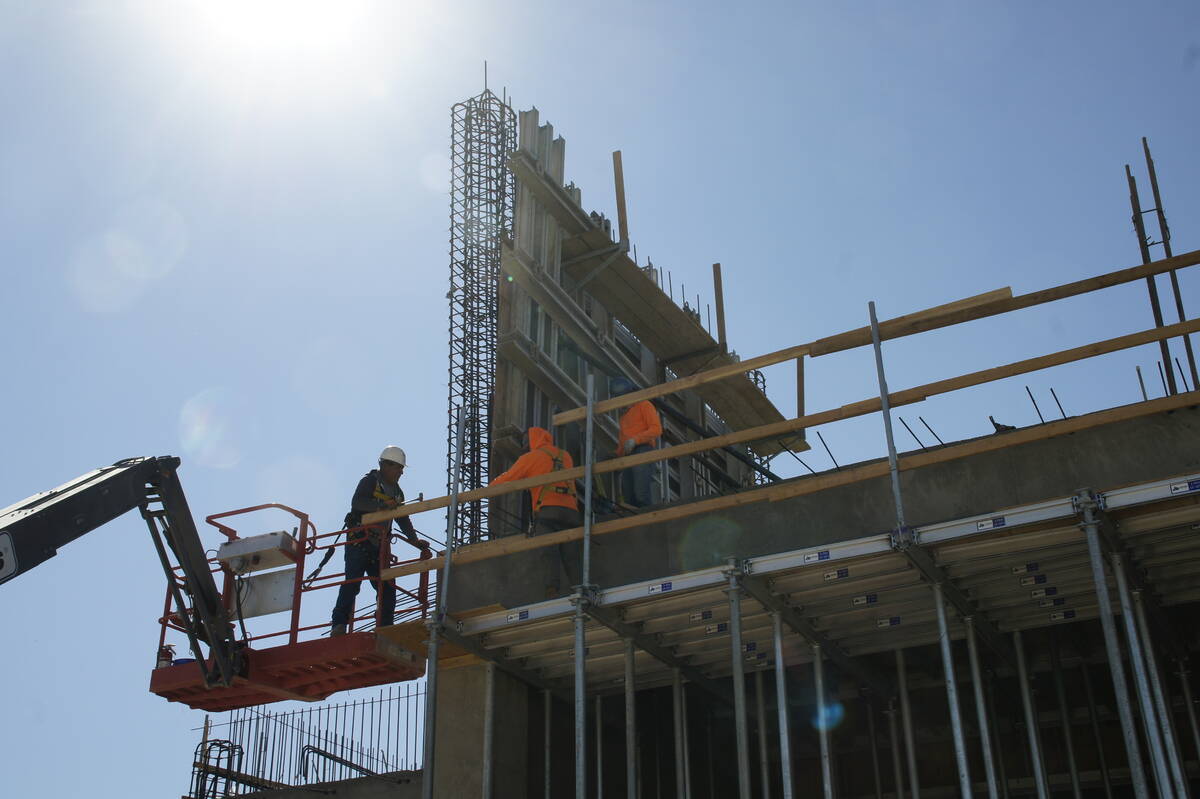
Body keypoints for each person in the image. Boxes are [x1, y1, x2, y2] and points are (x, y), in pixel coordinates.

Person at [331, 446, 424, 636]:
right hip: (359, 541)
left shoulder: (398, 493)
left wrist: (414, 541)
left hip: (379, 547)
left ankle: (385, 629)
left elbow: (402, 518)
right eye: (398, 467)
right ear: (385, 465)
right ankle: (339, 624)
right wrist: (381, 506)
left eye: (401, 468)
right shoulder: (369, 482)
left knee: (387, 588)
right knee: (353, 582)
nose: (401, 472)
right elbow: (357, 503)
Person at [491, 427, 581, 534]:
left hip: (548, 510)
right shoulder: (565, 456)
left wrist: (487, 490)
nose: (524, 446)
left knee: (546, 549)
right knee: (571, 549)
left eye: (525, 442)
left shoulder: (531, 457)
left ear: (532, 440)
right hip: (572, 511)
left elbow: (507, 479)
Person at [611, 377, 662, 507]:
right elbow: (623, 442)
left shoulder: (644, 405)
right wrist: (616, 455)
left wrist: (635, 440)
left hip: (643, 449)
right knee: (629, 496)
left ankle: (649, 520)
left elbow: (656, 429)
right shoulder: (623, 417)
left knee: (641, 493)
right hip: (628, 454)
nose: (622, 405)